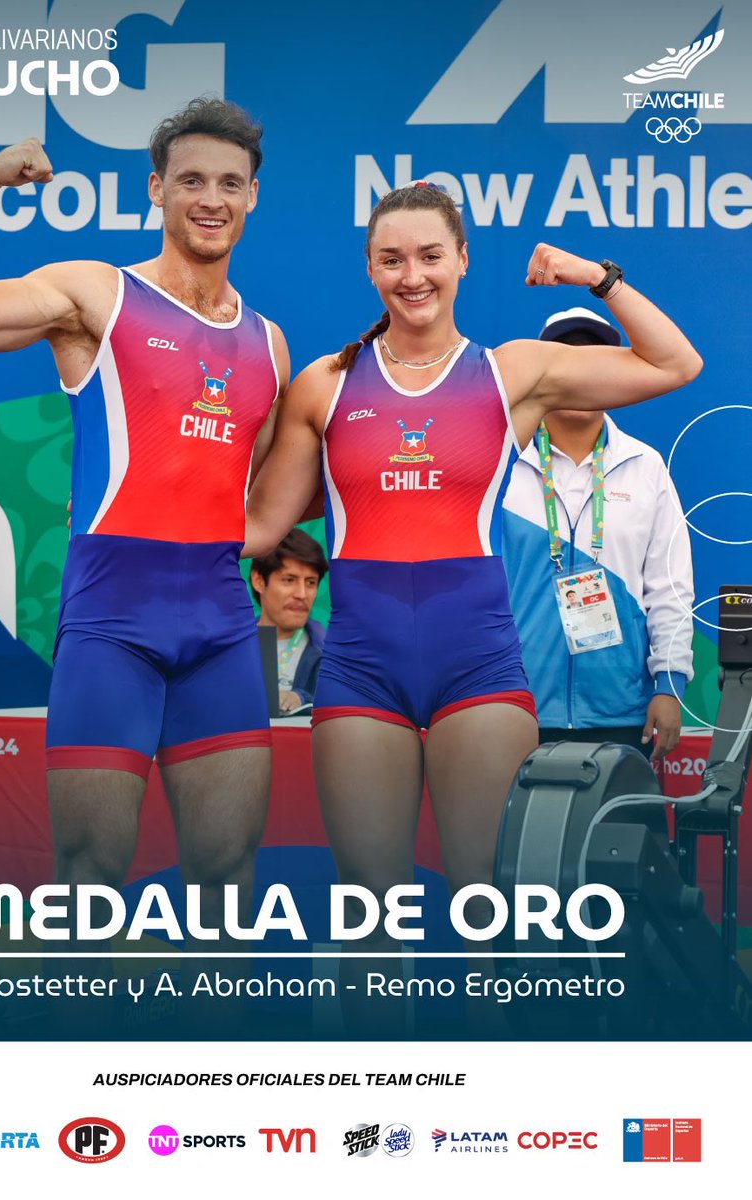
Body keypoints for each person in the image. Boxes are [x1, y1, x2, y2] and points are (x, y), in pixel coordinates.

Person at [244, 182, 701, 989]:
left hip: (479, 670)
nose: (411, 275)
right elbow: (253, 527)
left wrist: (592, 275)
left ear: (461, 260)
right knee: (369, 916)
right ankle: (377, 1110)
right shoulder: (324, 382)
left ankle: (489, 1100)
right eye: (391, 259)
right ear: (369, 269)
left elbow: (675, 362)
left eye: (429, 256)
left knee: (487, 914)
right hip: (360, 672)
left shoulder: (512, 374)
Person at [0, 99, 290, 945]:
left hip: (222, 633)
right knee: (89, 884)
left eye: (230, 182)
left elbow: (249, 501)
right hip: (113, 625)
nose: (210, 198)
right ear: (156, 189)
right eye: (190, 180)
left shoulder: (270, 344)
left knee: (228, 887)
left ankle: (216, 1082)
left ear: (254, 196)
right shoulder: (97, 295)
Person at [503, 307, 694, 761]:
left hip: (621, 715)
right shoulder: (502, 460)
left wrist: (669, 685)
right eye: (565, 361)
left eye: (595, 362)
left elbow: (670, 588)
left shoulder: (645, 467)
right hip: (511, 709)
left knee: (614, 834)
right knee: (512, 835)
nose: (580, 375)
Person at [250, 528, 328, 711]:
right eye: (289, 580)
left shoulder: (333, 654)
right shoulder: (229, 647)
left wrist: (304, 699)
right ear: (259, 580)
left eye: (310, 582)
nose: (302, 594)